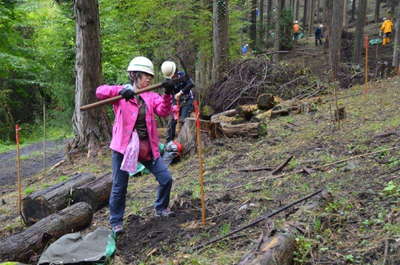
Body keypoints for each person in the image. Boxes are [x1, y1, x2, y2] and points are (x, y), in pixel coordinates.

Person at [96, 56, 176, 235]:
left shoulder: (151, 95)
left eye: (150, 76)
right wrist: (120, 91)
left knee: (166, 179)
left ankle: (161, 208)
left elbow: (163, 110)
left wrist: (168, 94)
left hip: (147, 148)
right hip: (124, 148)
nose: (148, 78)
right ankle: (116, 222)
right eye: (145, 75)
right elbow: (99, 92)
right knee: (119, 186)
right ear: (134, 75)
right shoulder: (123, 94)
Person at [161, 61, 195, 143]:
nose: (173, 77)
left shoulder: (183, 75)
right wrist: (167, 89)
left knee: (183, 120)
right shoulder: (168, 81)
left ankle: (184, 142)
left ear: (176, 70)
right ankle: (169, 143)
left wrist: (180, 93)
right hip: (175, 103)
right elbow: (167, 93)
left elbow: (191, 84)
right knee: (171, 122)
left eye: (174, 75)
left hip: (187, 100)